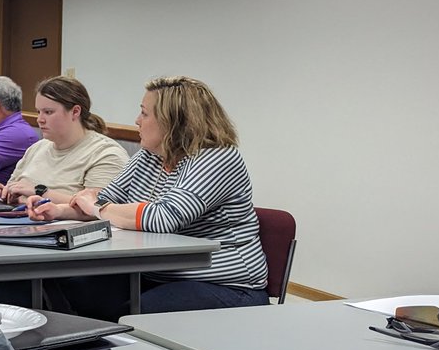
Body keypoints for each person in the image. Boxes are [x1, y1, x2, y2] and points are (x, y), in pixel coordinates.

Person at [29, 75, 269, 317]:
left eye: (144, 114)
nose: (137, 121)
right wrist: (59, 210)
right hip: (154, 273)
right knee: (67, 287)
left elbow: (164, 217)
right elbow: (107, 199)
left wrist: (97, 208)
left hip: (226, 285)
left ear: (173, 121)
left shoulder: (217, 158)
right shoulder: (149, 156)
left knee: (134, 314)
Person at [0, 75, 128, 204]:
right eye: (38, 112)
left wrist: (39, 192)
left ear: (75, 112)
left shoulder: (106, 154)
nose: (40, 119)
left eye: (48, 112)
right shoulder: (36, 148)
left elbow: (98, 207)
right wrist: (7, 192)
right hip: (18, 221)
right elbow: (15, 188)